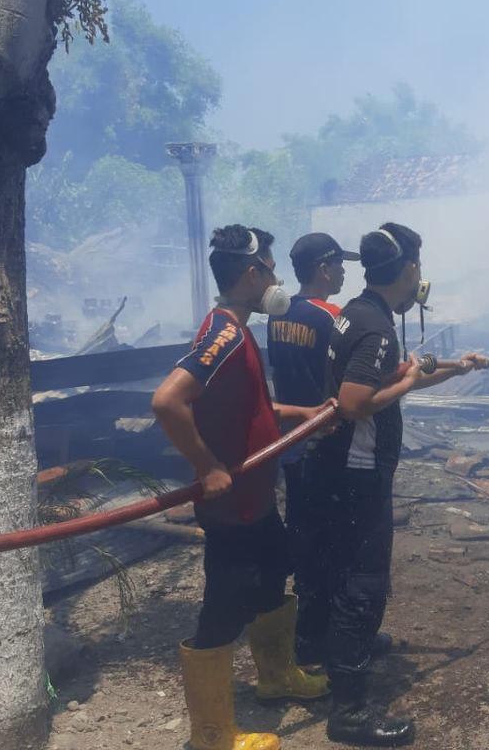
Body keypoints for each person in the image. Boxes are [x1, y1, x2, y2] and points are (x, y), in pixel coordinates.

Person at [152, 224, 333, 750]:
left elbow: (249, 408)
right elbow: (168, 401)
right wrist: (207, 465)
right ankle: (212, 735)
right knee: (224, 610)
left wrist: (301, 412)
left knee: (275, 580)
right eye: (271, 269)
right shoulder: (225, 334)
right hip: (232, 507)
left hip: (257, 500)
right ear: (252, 274)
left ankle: (277, 680)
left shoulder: (237, 328)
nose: (276, 278)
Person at [312, 222, 489, 746]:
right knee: (363, 586)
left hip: (345, 470)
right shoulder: (376, 328)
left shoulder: (360, 312)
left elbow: (393, 374)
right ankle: (348, 715)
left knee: (348, 576)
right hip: (358, 474)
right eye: (421, 266)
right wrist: (412, 380)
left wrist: (455, 368)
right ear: (411, 270)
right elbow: (353, 403)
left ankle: (347, 652)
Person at [266, 232, 393, 668]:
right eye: (339, 265)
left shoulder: (279, 316)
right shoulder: (334, 318)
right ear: (323, 269)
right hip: (327, 445)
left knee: (306, 545)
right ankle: (328, 642)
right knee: (337, 549)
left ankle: (310, 639)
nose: (344, 272)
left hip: (291, 445)